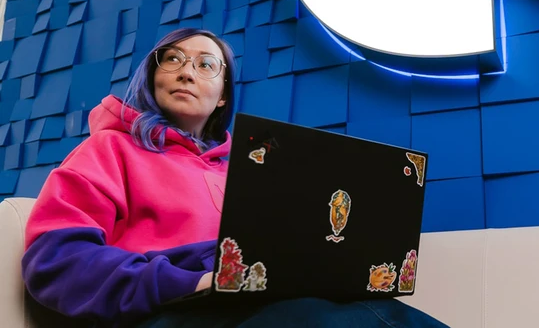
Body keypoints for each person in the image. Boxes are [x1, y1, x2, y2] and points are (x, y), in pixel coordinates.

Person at [21, 28, 447, 328]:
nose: (187, 72)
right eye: (172, 59)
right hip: (164, 311)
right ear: (152, 77)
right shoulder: (108, 150)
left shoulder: (250, 169)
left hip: (258, 306)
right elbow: (55, 262)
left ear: (223, 94)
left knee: (384, 315)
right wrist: (189, 282)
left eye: (206, 64)